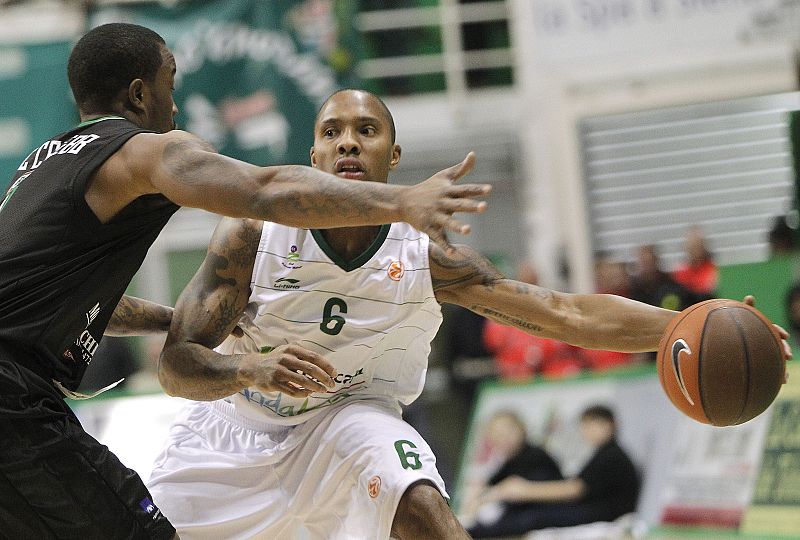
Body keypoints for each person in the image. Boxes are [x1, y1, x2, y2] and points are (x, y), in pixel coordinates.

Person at [147, 88, 741, 540]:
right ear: (315, 153)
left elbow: (565, 313)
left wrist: (689, 326)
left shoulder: (428, 259)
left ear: (393, 153)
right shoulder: (255, 234)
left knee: (421, 500)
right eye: (332, 131)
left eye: (366, 130)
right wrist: (250, 371)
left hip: (351, 421)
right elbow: (177, 365)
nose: (348, 142)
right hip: (234, 433)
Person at [0, 24, 492, 539]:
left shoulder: (38, 167)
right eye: (171, 81)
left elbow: (77, 304)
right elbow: (264, 189)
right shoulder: (143, 152)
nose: (176, 103)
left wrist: (174, 321)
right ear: (140, 93)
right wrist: (402, 202)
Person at [467, 405, 640, 537]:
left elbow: (575, 489)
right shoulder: (604, 453)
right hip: (587, 509)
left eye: (594, 425)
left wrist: (524, 490)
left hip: (605, 514)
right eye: (585, 425)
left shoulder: (612, 455)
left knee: (534, 518)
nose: (588, 431)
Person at [460, 411, 563, 535]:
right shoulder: (509, 462)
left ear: (522, 429)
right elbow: (489, 486)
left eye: (508, 431)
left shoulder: (536, 456)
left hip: (544, 520)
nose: (503, 438)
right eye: (497, 434)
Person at [672, 226, 718, 300]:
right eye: (691, 246)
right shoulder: (681, 270)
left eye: (696, 245)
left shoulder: (710, 267)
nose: (693, 249)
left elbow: (706, 288)